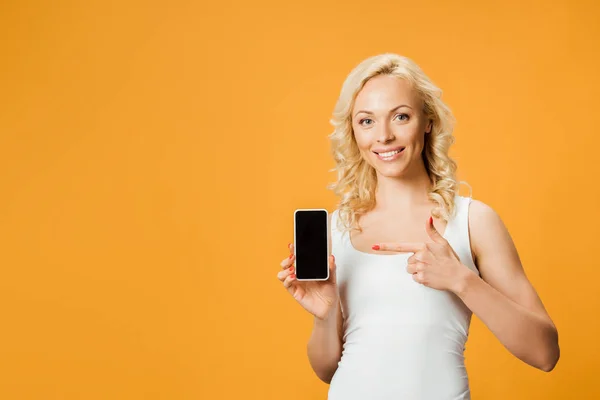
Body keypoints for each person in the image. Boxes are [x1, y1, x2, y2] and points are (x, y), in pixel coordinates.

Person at [276, 53, 560, 399]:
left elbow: (545, 353)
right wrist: (324, 314)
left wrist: (461, 280)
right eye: (366, 121)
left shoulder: (472, 222)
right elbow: (326, 370)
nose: (383, 136)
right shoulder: (337, 230)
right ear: (353, 130)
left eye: (400, 116)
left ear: (427, 121)